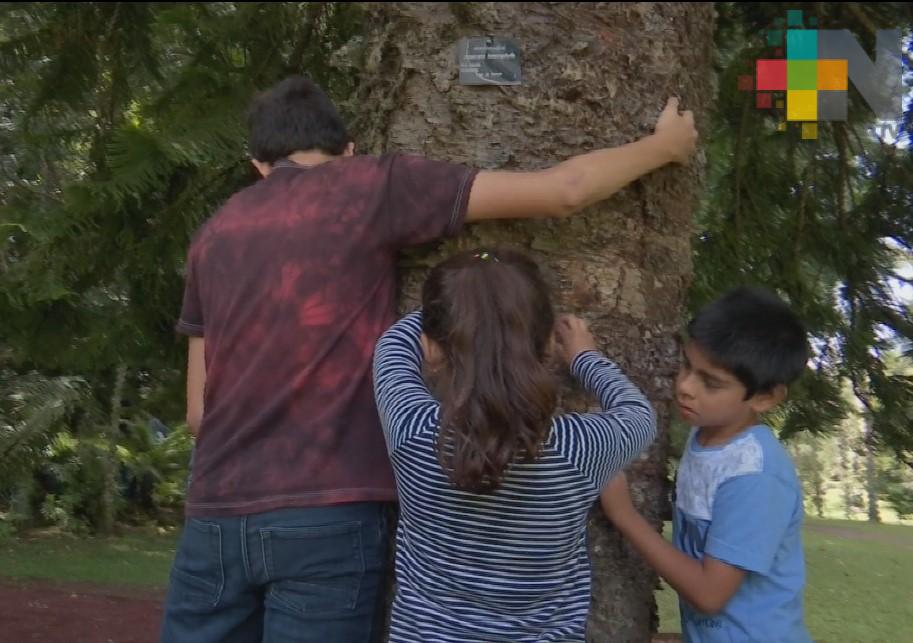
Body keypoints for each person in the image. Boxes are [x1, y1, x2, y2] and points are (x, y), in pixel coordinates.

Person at [161, 74, 697, 643]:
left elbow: (200, 412)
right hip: (327, 513)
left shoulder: (213, 236)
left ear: (258, 165)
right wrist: (663, 148)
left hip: (214, 510)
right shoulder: (368, 185)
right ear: (347, 152)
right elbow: (562, 191)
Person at [372, 247, 658, 641]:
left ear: (433, 349)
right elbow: (638, 413)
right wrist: (585, 357)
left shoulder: (413, 432)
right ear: (546, 348)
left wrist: (466, 303)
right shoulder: (581, 448)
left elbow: (391, 346)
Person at [601, 286, 812, 642]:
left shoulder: (753, 474)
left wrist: (625, 516)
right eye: (686, 365)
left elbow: (710, 595)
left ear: (765, 397)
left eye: (710, 383)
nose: (685, 386)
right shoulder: (708, 436)